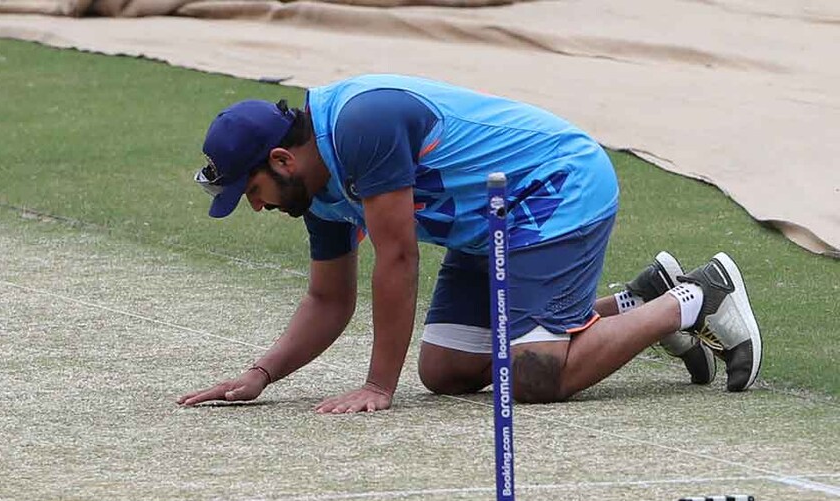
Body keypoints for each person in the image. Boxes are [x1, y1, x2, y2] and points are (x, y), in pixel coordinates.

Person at [178, 74, 762, 414]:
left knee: (533, 376)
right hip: (488, 228)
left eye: (252, 191)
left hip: (555, 188)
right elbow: (330, 299)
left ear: (281, 160)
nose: (256, 206)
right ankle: (639, 301)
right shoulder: (315, 188)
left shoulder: (361, 126)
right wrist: (262, 375)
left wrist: (379, 386)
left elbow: (399, 259)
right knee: (445, 370)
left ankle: (693, 298)